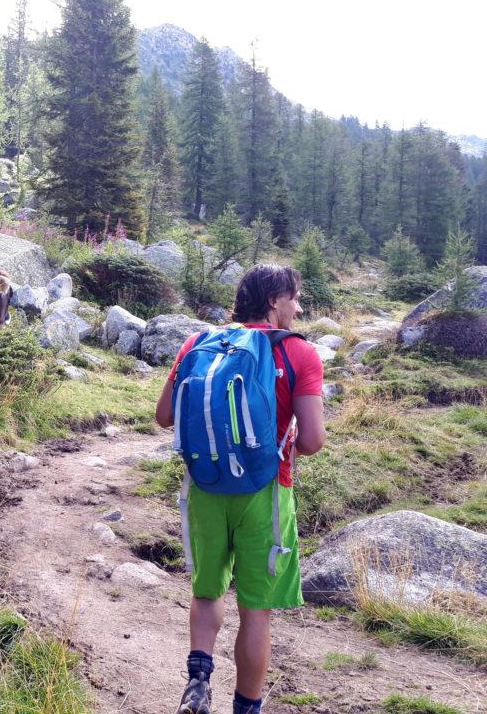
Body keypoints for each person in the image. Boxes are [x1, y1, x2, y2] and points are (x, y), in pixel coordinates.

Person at [154, 264, 327, 714]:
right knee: (255, 611)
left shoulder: (198, 343)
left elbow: (164, 416)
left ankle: (197, 682)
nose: (299, 307)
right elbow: (311, 441)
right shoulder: (299, 354)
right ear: (274, 301)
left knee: (207, 591)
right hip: (266, 494)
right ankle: (246, 708)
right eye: (295, 297)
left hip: (206, 487)